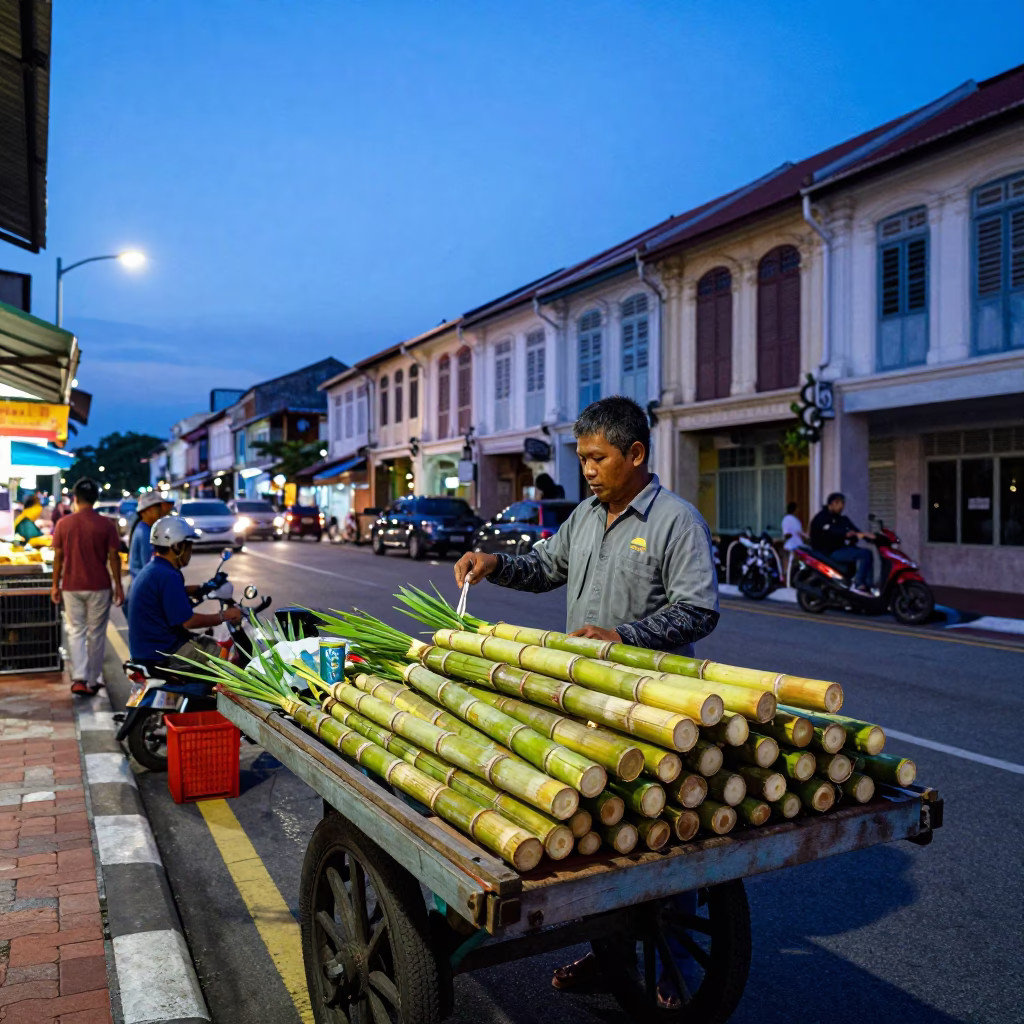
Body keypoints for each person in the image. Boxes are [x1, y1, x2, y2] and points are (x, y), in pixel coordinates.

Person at [454, 395, 719, 1004]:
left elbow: (699, 610)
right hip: (582, 704)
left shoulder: (674, 521)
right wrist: (495, 564)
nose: (588, 470)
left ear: (635, 454)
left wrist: (621, 637)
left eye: (598, 458)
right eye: (582, 459)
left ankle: (670, 962)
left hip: (653, 708)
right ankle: (607, 953)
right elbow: (545, 567)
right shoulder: (585, 516)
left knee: (660, 832)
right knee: (600, 830)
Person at [127, 515, 241, 666]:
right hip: (163, 650)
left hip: (147, 647)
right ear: (176, 547)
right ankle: (212, 690)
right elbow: (188, 621)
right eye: (188, 546)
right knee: (225, 657)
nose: (190, 551)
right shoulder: (168, 575)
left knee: (207, 643)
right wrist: (225, 616)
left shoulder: (155, 569)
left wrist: (198, 589)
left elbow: (166, 594)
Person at [51, 478, 124, 696]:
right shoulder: (106, 525)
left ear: (75, 499)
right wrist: (118, 585)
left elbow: (58, 557)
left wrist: (55, 584)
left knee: (76, 631)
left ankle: (79, 678)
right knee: (96, 633)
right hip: (99, 585)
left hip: (71, 585)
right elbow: (114, 557)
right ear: (95, 499)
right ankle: (93, 679)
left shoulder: (64, 524)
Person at [809, 492, 875, 595]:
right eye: (839, 503)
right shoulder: (822, 518)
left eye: (843, 503)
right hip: (828, 552)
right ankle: (859, 584)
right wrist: (847, 534)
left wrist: (868, 536)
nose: (842, 506)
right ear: (832, 504)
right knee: (865, 554)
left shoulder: (841, 519)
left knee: (866, 553)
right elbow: (833, 531)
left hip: (840, 549)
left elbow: (855, 531)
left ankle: (868, 586)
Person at [128, 491, 174, 582]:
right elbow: (149, 565)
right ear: (147, 510)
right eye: (157, 508)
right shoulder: (145, 533)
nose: (161, 511)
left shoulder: (144, 528)